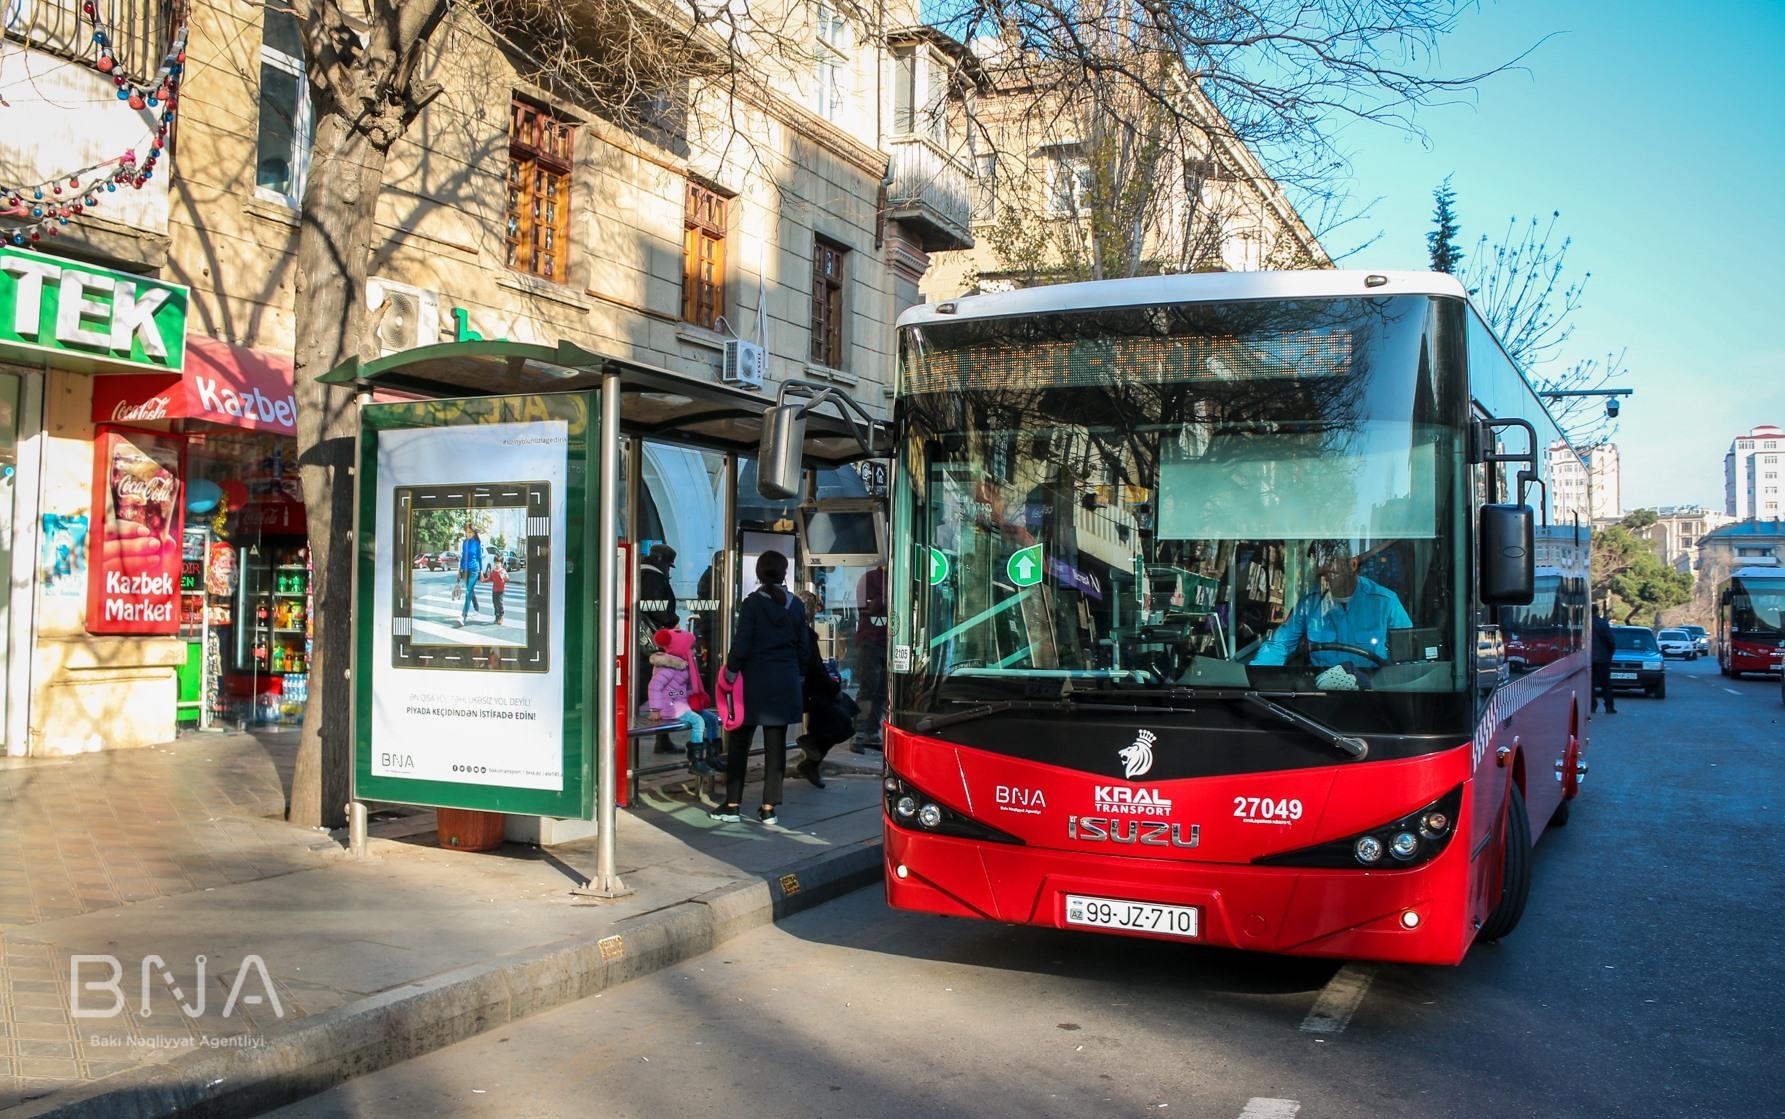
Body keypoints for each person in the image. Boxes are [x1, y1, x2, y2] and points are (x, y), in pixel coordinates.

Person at [710, 550, 805, 825]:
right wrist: (797, 676)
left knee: (740, 743)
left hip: (752, 683)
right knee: (776, 747)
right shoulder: (796, 605)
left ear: (759, 573)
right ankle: (768, 808)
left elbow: (742, 644)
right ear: (784, 573)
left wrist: (729, 673)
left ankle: (732, 804)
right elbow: (804, 647)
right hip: (784, 682)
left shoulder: (752, 604)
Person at [1252, 540, 1412, 671]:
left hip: (1371, 693)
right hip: (1322, 693)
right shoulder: (1309, 604)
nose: (1324, 579)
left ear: (1352, 564)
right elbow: (1280, 644)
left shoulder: (1386, 602)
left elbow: (1409, 656)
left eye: (1330, 572)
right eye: (1320, 573)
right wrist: (1254, 674)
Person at [794, 591, 858, 788]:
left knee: (845, 708)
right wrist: (833, 688)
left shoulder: (799, 631)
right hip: (806, 690)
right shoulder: (802, 634)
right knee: (842, 717)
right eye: (810, 608)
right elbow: (815, 669)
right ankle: (812, 746)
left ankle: (813, 750)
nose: (813, 612)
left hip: (807, 688)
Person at [644, 626, 719, 774]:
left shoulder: (684, 664)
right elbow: (654, 686)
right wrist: (655, 709)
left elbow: (687, 687)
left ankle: (712, 755)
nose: (692, 650)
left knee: (712, 719)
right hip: (670, 706)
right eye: (689, 647)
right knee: (699, 721)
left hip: (682, 704)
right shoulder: (669, 667)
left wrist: (694, 700)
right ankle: (696, 760)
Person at [637, 544, 680, 754]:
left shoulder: (641, 572)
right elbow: (652, 605)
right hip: (650, 642)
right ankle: (661, 739)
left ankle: (662, 739)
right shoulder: (652, 577)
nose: (669, 571)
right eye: (669, 566)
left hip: (643, 641)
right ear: (662, 562)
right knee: (657, 688)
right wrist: (672, 620)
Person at [850, 563, 888, 752]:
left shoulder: (897, 576)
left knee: (882, 691)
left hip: (888, 640)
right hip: (870, 639)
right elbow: (864, 608)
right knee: (868, 688)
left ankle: (871, 732)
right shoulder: (870, 578)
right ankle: (859, 733)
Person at [456, 523, 485, 627]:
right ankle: (476, 608)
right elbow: (463, 556)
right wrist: (459, 570)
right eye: (467, 532)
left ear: (473, 533)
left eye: (470, 532)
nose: (468, 534)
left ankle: (463, 616)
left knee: (468, 591)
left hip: (474, 570)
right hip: (465, 570)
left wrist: (481, 572)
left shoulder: (477, 543)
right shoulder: (464, 543)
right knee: (470, 590)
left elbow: (480, 558)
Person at [1590, 605, 1618, 714]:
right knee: (1606, 684)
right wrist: (1609, 654)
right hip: (1603, 658)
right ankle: (1609, 706)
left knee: (1590, 684)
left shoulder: (1584, 623)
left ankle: (1592, 706)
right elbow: (1610, 641)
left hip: (1589, 659)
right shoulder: (1602, 624)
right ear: (1597, 611)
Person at [489, 557, 509, 624]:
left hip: (501, 590)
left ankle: (501, 616)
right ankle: (496, 617)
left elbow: (508, 579)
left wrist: (504, 578)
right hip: (494, 590)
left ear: (501, 563)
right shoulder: (493, 571)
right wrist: (483, 580)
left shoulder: (503, 571)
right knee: (495, 603)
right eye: (496, 563)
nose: (497, 564)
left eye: (498, 563)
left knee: (499, 603)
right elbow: (490, 578)